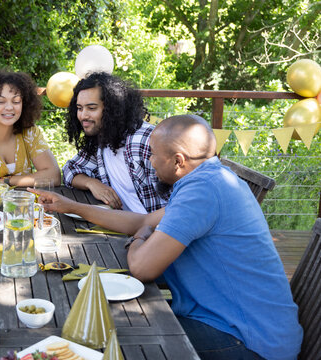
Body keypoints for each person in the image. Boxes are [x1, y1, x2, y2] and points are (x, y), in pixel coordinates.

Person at [30, 115, 303, 360]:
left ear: (178, 161)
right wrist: (72, 206)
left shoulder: (202, 191)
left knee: (110, 335)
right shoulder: (210, 178)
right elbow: (143, 220)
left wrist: (140, 238)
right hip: (240, 324)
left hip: (249, 342)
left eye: (153, 154)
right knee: (101, 319)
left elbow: (141, 268)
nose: (149, 161)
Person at [62, 72, 168, 212]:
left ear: (113, 108)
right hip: (122, 228)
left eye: (92, 108)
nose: (83, 115)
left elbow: (179, 201)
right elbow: (70, 169)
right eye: (80, 108)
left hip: (155, 230)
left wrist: (149, 230)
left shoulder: (144, 141)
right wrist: (92, 183)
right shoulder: (103, 139)